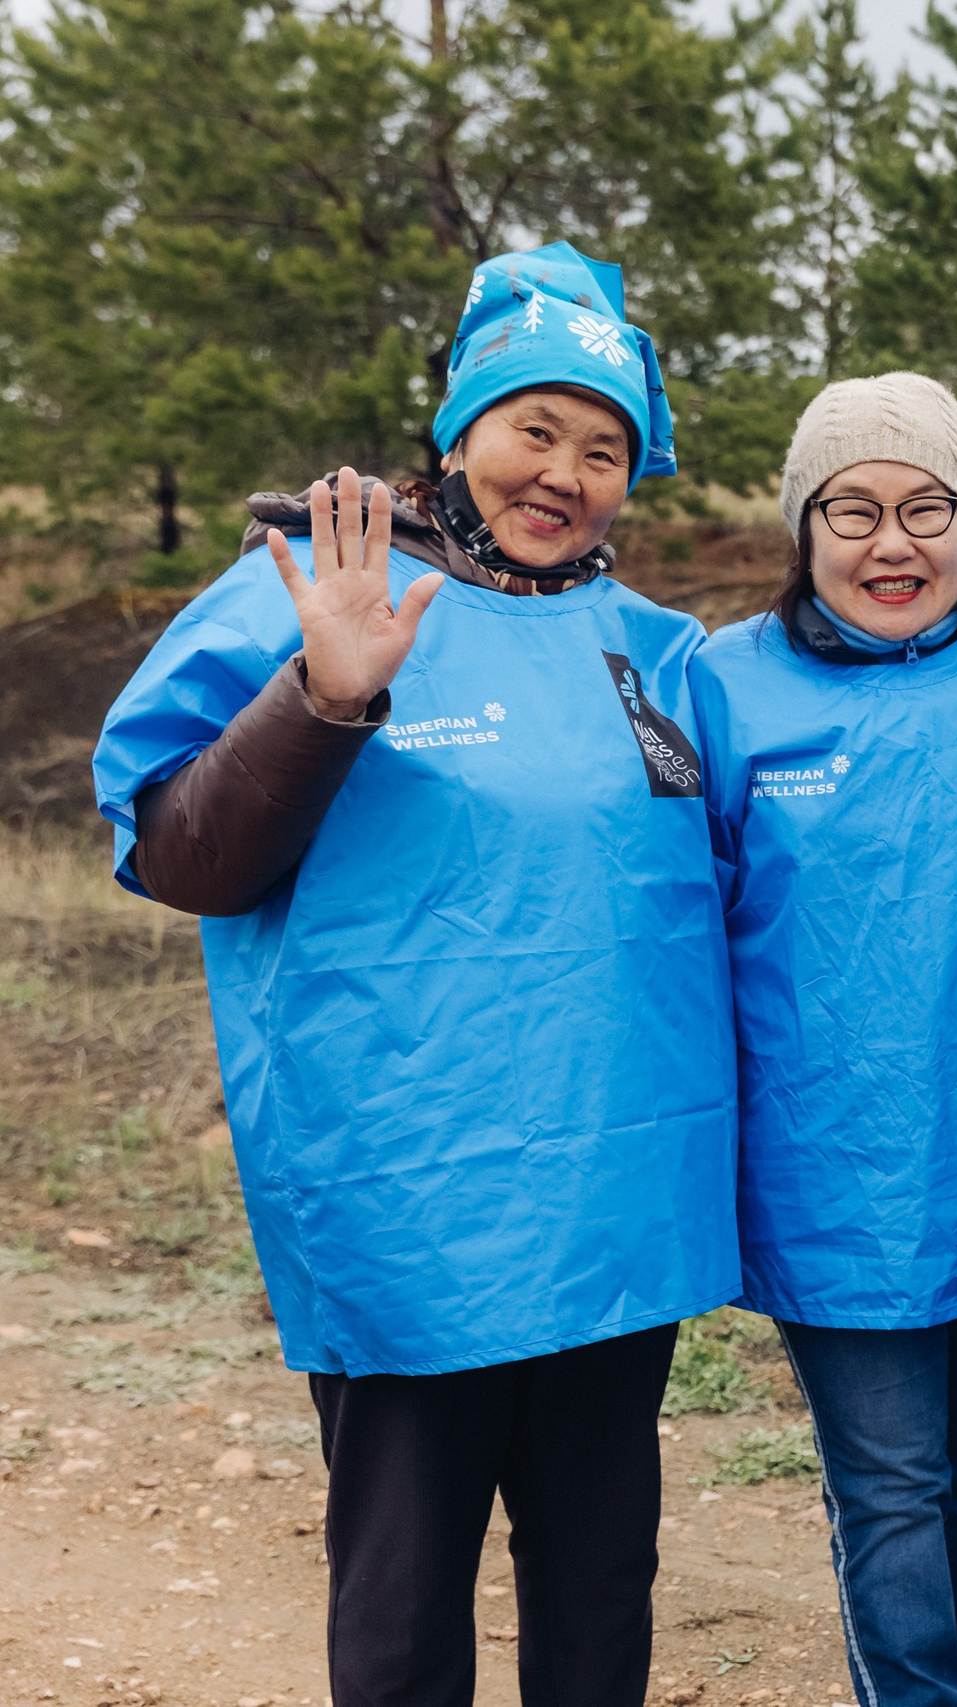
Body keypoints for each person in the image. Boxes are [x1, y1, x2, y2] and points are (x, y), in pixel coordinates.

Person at [91, 242, 731, 1707]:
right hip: (409, 1214)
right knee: (401, 1605)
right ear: (460, 431)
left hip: (613, 1218)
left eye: (603, 445)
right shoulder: (316, 588)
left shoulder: (658, 652)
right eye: (534, 429)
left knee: (598, 1586)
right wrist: (327, 697)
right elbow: (181, 857)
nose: (562, 472)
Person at [688, 373, 957, 1707]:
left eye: (928, 508)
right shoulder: (724, 689)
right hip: (825, 1168)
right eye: (853, 510)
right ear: (803, 531)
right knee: (890, 1488)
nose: (893, 543)